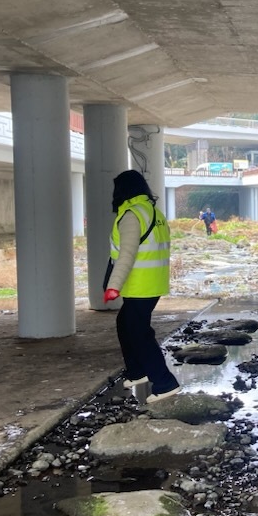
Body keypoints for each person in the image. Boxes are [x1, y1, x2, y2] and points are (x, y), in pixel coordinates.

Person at [104, 170, 180, 402]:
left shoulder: (131, 215)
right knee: (125, 324)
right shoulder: (153, 212)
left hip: (139, 285)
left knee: (139, 334)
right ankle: (138, 372)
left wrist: (113, 285)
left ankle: (165, 382)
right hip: (153, 282)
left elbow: (126, 254)